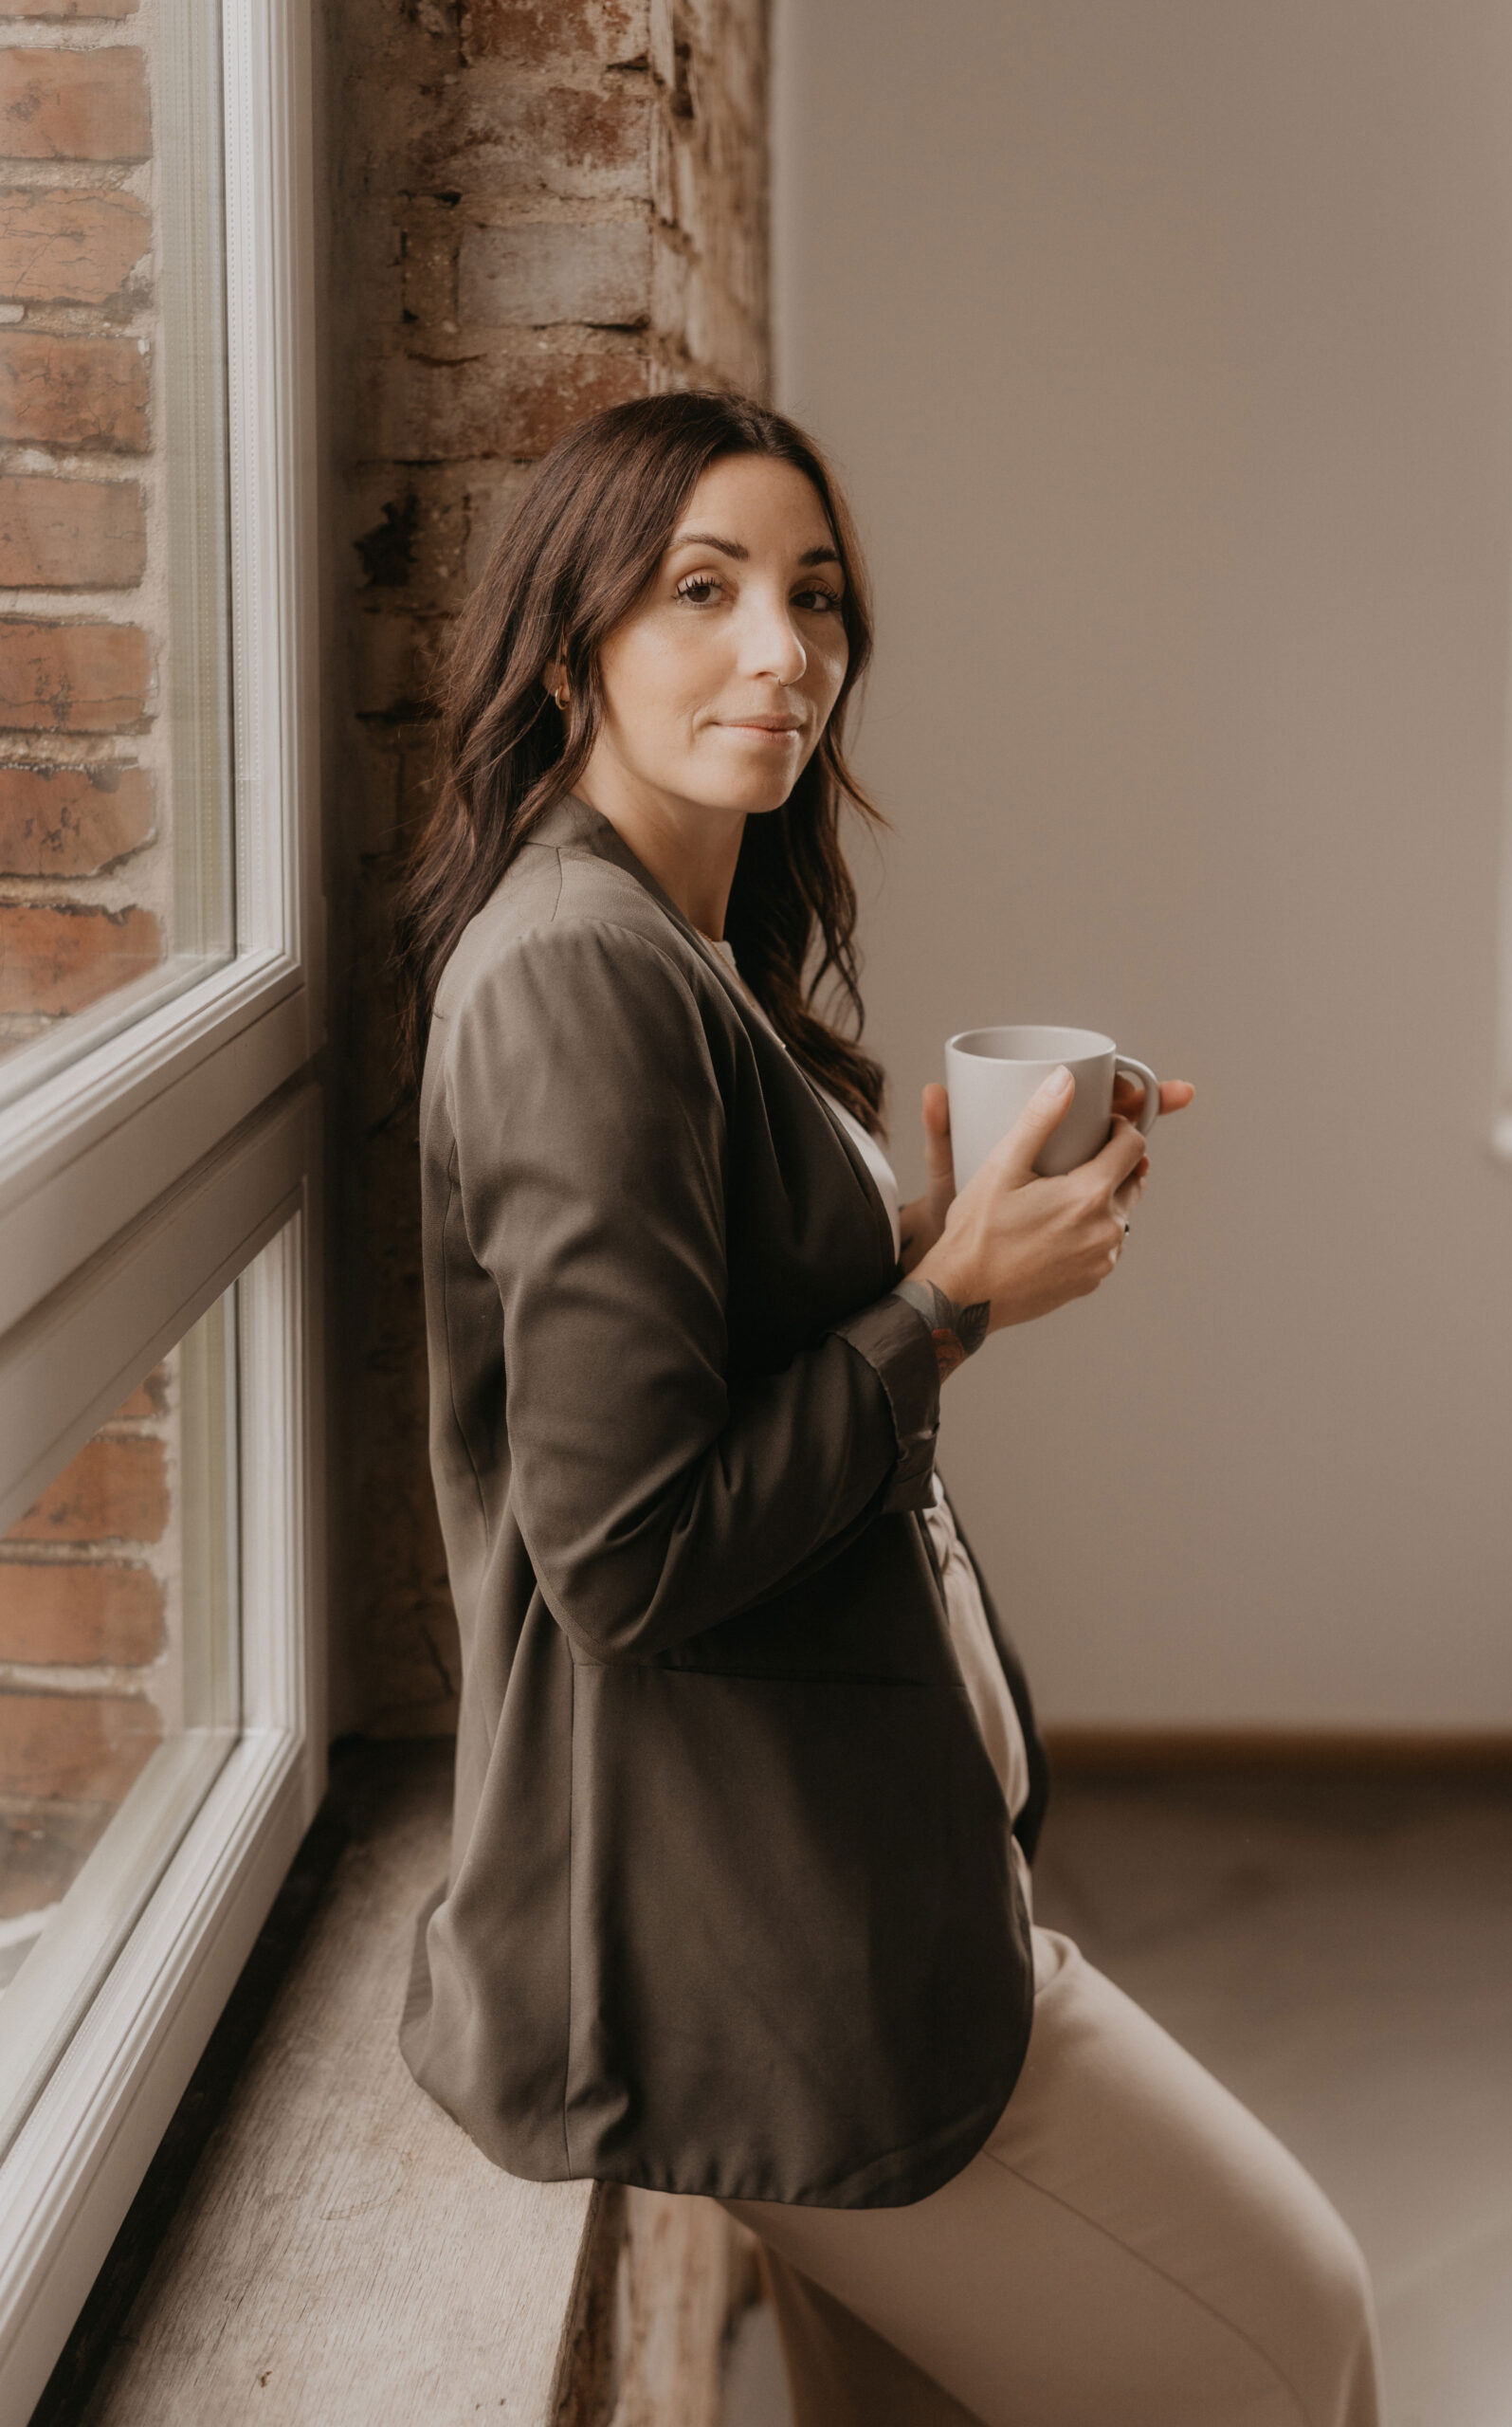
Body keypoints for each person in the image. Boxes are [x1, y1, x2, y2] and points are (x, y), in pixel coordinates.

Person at [393, 391, 1382, 2427]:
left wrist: (954, 1241)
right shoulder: (579, 975)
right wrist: (940, 1300)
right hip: (781, 1954)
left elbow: (724, 1358)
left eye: (815, 595)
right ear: (571, 640)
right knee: (1300, 2339)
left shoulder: (675, 945)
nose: (785, 648)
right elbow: (628, 1549)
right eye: (703, 590)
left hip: (861, 1889)